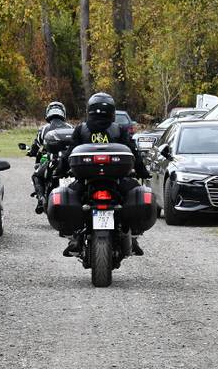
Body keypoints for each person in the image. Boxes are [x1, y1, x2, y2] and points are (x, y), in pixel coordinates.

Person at [58, 92, 150, 255]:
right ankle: (133, 236)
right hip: (118, 181)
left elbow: (69, 153)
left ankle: (74, 238)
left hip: (86, 181)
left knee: (70, 198)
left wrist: (59, 170)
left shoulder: (81, 129)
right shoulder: (119, 129)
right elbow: (133, 152)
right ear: (112, 111)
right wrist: (142, 171)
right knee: (136, 196)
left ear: (90, 110)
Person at [27, 101, 72, 214]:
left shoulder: (44, 129)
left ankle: (41, 199)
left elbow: (36, 146)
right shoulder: (71, 127)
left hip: (53, 161)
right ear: (63, 113)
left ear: (48, 113)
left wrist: (31, 152)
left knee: (36, 176)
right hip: (69, 162)